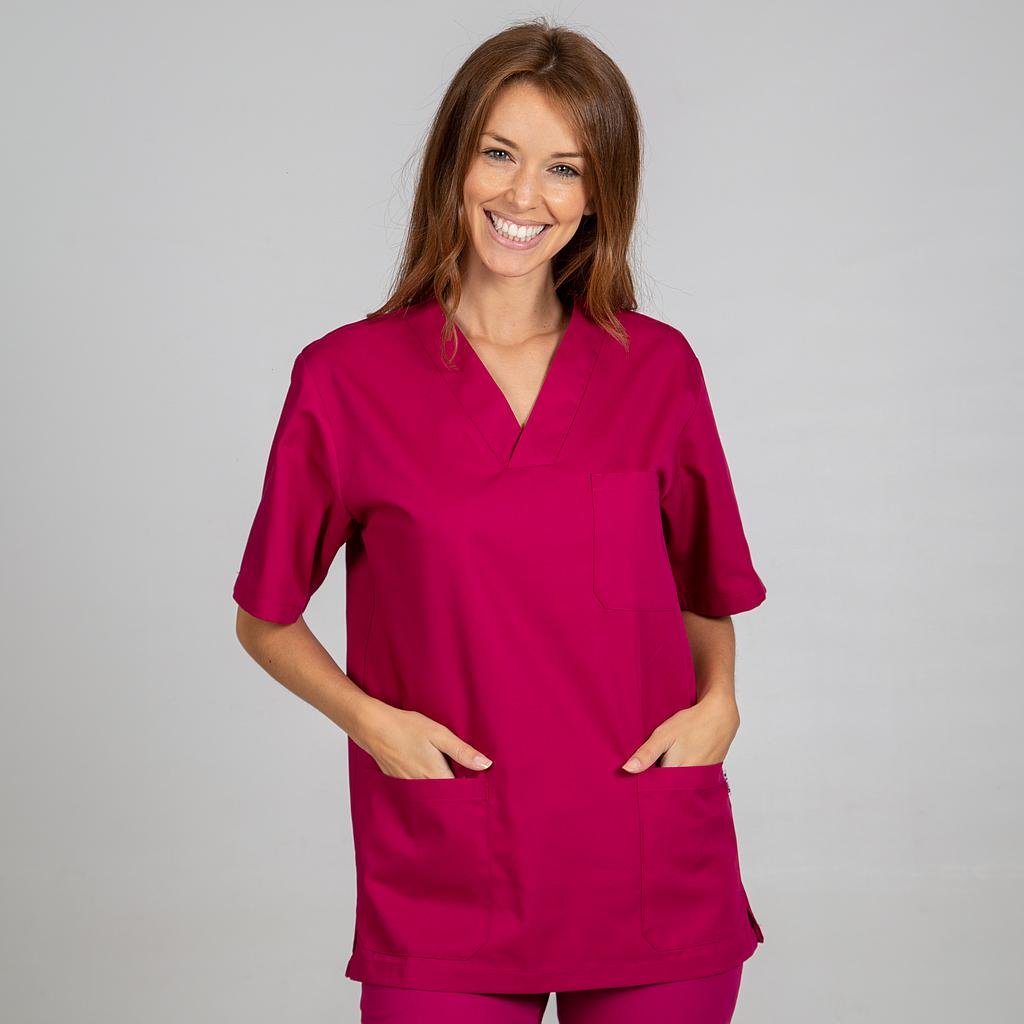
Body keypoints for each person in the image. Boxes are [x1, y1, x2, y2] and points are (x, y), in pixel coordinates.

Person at [232, 17, 767, 1024]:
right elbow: (263, 616)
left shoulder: (656, 368)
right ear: (454, 162)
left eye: (565, 169)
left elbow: (706, 590)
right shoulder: (345, 379)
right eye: (500, 153)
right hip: (449, 867)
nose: (526, 197)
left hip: (647, 860)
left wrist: (721, 702)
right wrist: (373, 725)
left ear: (599, 195)